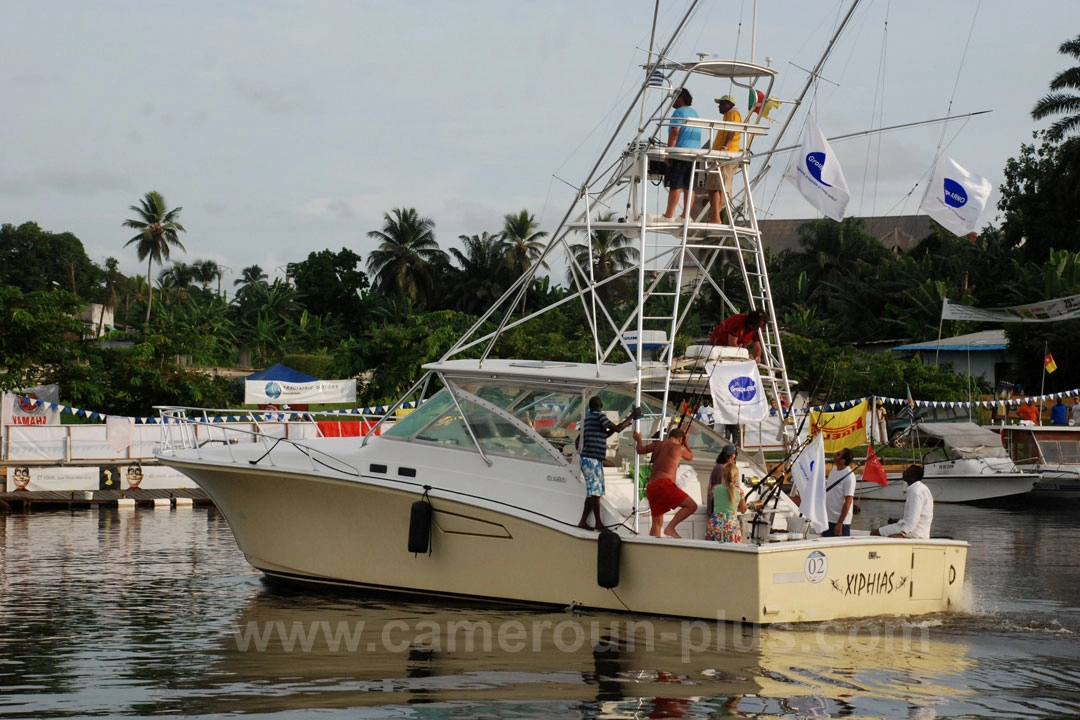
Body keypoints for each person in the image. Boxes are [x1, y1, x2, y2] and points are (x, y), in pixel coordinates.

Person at [578, 397, 640, 530]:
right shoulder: (600, 416)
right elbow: (617, 429)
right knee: (595, 493)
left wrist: (625, 423)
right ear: (601, 405)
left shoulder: (588, 419)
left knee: (592, 493)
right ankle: (598, 523)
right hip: (592, 459)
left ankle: (583, 521)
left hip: (589, 459)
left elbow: (604, 435)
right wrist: (632, 416)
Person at [632, 427, 696, 538]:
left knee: (657, 523)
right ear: (680, 439)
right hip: (664, 485)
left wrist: (639, 440)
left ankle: (653, 547)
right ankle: (670, 528)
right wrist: (686, 442)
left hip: (651, 487)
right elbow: (690, 457)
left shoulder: (658, 444)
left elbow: (640, 450)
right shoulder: (678, 448)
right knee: (691, 506)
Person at [662, 88, 701, 220]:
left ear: (680, 98)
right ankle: (685, 215)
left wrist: (668, 153)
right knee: (689, 187)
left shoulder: (678, 112)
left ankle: (669, 214)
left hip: (679, 153)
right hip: (694, 154)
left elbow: (675, 132)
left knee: (676, 185)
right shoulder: (695, 113)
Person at [705, 94, 742, 224]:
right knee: (719, 187)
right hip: (727, 154)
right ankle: (717, 216)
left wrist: (724, 147)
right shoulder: (729, 114)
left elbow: (732, 131)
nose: (719, 107)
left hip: (726, 154)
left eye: (721, 104)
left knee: (714, 187)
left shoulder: (733, 113)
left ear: (729, 104)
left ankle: (716, 217)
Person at [871, 464, 933, 539]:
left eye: (907, 471)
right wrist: (899, 521)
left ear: (913, 475)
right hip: (921, 531)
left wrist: (902, 534)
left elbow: (914, 519)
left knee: (874, 533)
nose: (904, 472)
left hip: (914, 532)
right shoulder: (922, 488)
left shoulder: (916, 492)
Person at [706, 446, 746, 542]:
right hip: (731, 525)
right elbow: (743, 509)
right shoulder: (739, 491)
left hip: (715, 523)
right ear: (732, 456)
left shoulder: (716, 488)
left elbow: (710, 493)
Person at [824, 448, 857, 536]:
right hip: (828, 519)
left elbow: (848, 501)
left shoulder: (849, 477)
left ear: (842, 461)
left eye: (838, 454)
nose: (835, 454)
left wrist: (840, 523)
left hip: (840, 522)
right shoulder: (834, 470)